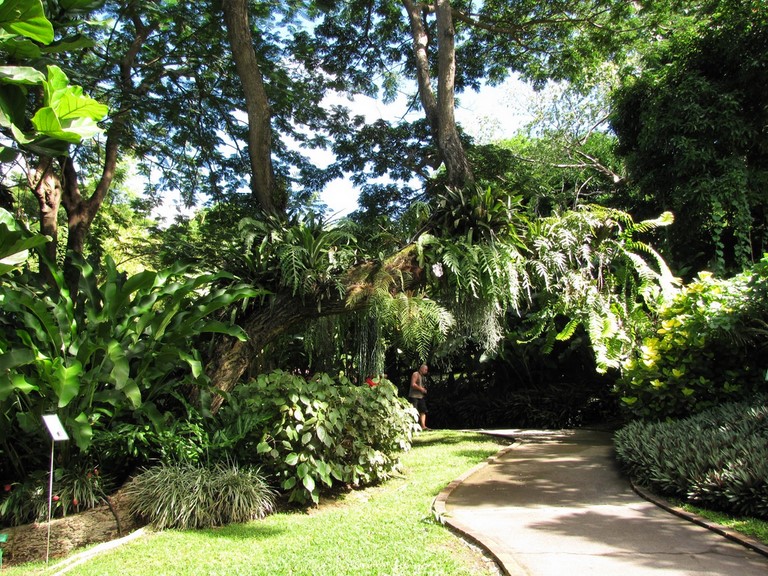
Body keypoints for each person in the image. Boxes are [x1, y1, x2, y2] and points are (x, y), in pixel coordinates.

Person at [408, 363, 430, 430]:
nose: (426, 371)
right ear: (421, 369)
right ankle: (412, 427)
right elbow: (413, 384)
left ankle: (423, 426)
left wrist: (424, 390)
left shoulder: (423, 377)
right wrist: (421, 389)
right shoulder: (416, 374)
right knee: (414, 412)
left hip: (421, 396)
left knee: (423, 411)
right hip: (414, 396)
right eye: (425, 370)